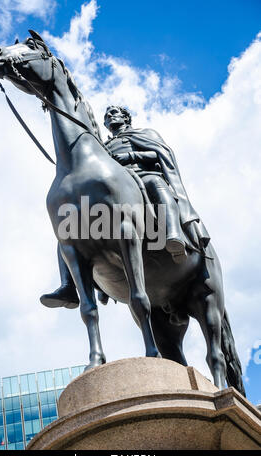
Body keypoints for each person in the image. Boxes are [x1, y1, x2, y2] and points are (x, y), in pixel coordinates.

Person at [40, 106, 210, 309]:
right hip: (115, 191)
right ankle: (68, 285)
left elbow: (162, 154)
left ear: (126, 117)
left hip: (142, 176)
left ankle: (174, 235)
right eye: (106, 115)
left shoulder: (145, 134)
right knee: (70, 226)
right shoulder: (101, 146)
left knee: (156, 185)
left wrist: (132, 157)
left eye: (114, 112)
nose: (109, 116)